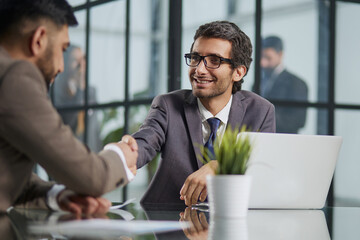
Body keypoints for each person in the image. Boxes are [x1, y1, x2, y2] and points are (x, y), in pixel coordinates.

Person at [0, 0, 138, 215]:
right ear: (38, 40)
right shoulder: (15, 76)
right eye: (62, 49)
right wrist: (121, 155)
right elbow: (91, 177)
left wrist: (57, 195)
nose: (61, 67)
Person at [132, 21, 275, 207]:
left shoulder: (260, 111)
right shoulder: (168, 105)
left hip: (231, 221)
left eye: (214, 61)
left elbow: (261, 169)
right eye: (195, 58)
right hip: (168, 222)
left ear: (238, 72)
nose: (199, 70)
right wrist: (122, 154)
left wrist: (220, 167)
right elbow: (143, 143)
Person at [52, 45, 102, 152]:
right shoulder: (57, 92)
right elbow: (69, 124)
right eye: (75, 60)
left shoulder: (91, 92)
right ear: (66, 63)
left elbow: (95, 129)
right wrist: (80, 89)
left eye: (83, 58)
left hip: (92, 154)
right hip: (70, 154)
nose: (81, 64)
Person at [260, 36, 308, 133]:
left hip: (285, 141)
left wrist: (264, 117)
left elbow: (298, 120)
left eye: (268, 58)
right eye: (261, 57)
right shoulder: (258, 82)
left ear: (280, 55)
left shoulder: (296, 83)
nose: (263, 63)